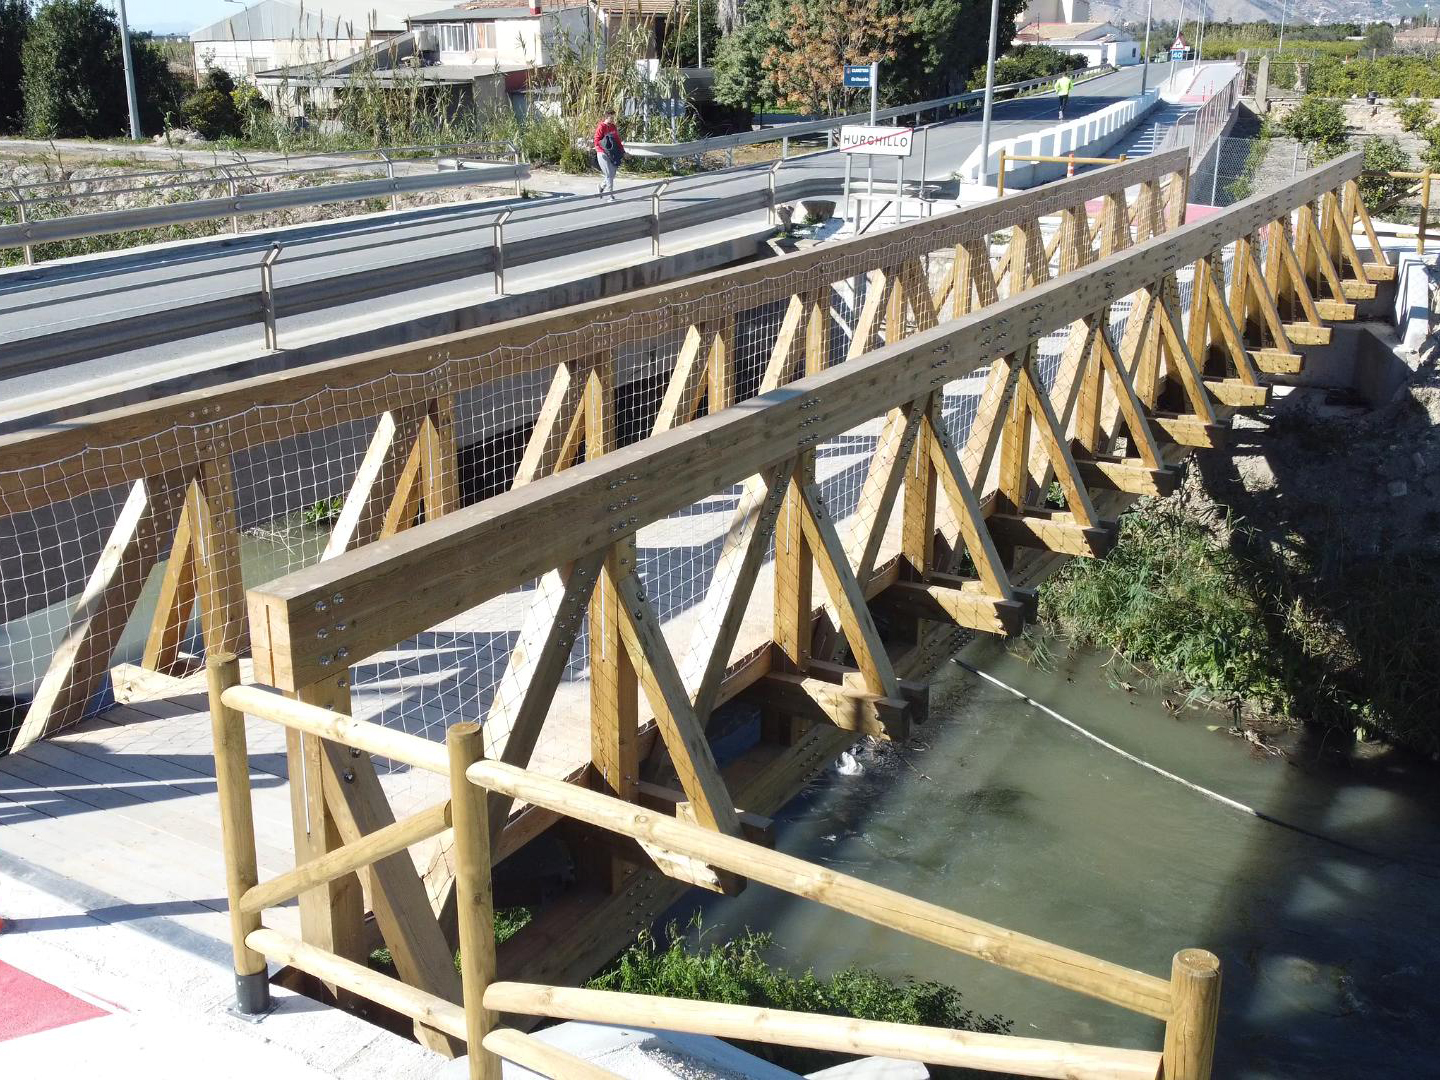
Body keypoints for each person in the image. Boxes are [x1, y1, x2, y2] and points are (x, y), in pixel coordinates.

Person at [594, 108, 624, 200]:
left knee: (613, 173)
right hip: (602, 153)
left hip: (612, 153)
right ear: (606, 117)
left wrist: (622, 151)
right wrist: (604, 147)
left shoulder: (613, 127)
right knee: (609, 174)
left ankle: (601, 186)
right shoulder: (601, 127)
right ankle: (610, 195)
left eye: (613, 117)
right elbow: (596, 141)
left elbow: (617, 140)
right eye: (611, 117)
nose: (612, 119)